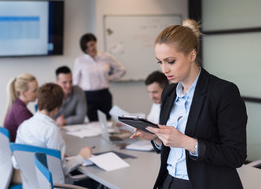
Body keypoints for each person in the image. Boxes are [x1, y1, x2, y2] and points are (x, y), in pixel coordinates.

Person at [131, 19, 247, 189]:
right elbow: (171, 149)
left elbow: (235, 156)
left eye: (170, 61)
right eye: (160, 62)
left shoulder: (223, 92)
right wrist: (156, 137)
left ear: (192, 55)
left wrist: (186, 142)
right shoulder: (169, 93)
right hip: (170, 181)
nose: (164, 70)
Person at [15, 83, 92, 181]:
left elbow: (16, 162)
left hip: (31, 183)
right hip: (54, 185)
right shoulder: (51, 130)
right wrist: (81, 157)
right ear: (57, 109)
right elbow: (58, 170)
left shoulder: (23, 125)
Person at [73, 33, 126, 121]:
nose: (91, 48)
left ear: (95, 43)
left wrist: (109, 78)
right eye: (87, 47)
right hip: (88, 96)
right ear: (84, 49)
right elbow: (75, 81)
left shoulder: (106, 56)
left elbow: (122, 70)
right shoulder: (79, 61)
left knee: (107, 121)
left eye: (92, 45)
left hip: (104, 94)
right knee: (92, 122)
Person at [4, 73, 38, 142]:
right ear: (23, 93)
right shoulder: (21, 112)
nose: (38, 93)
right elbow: (34, 137)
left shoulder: (17, 106)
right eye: (34, 91)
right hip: (23, 150)